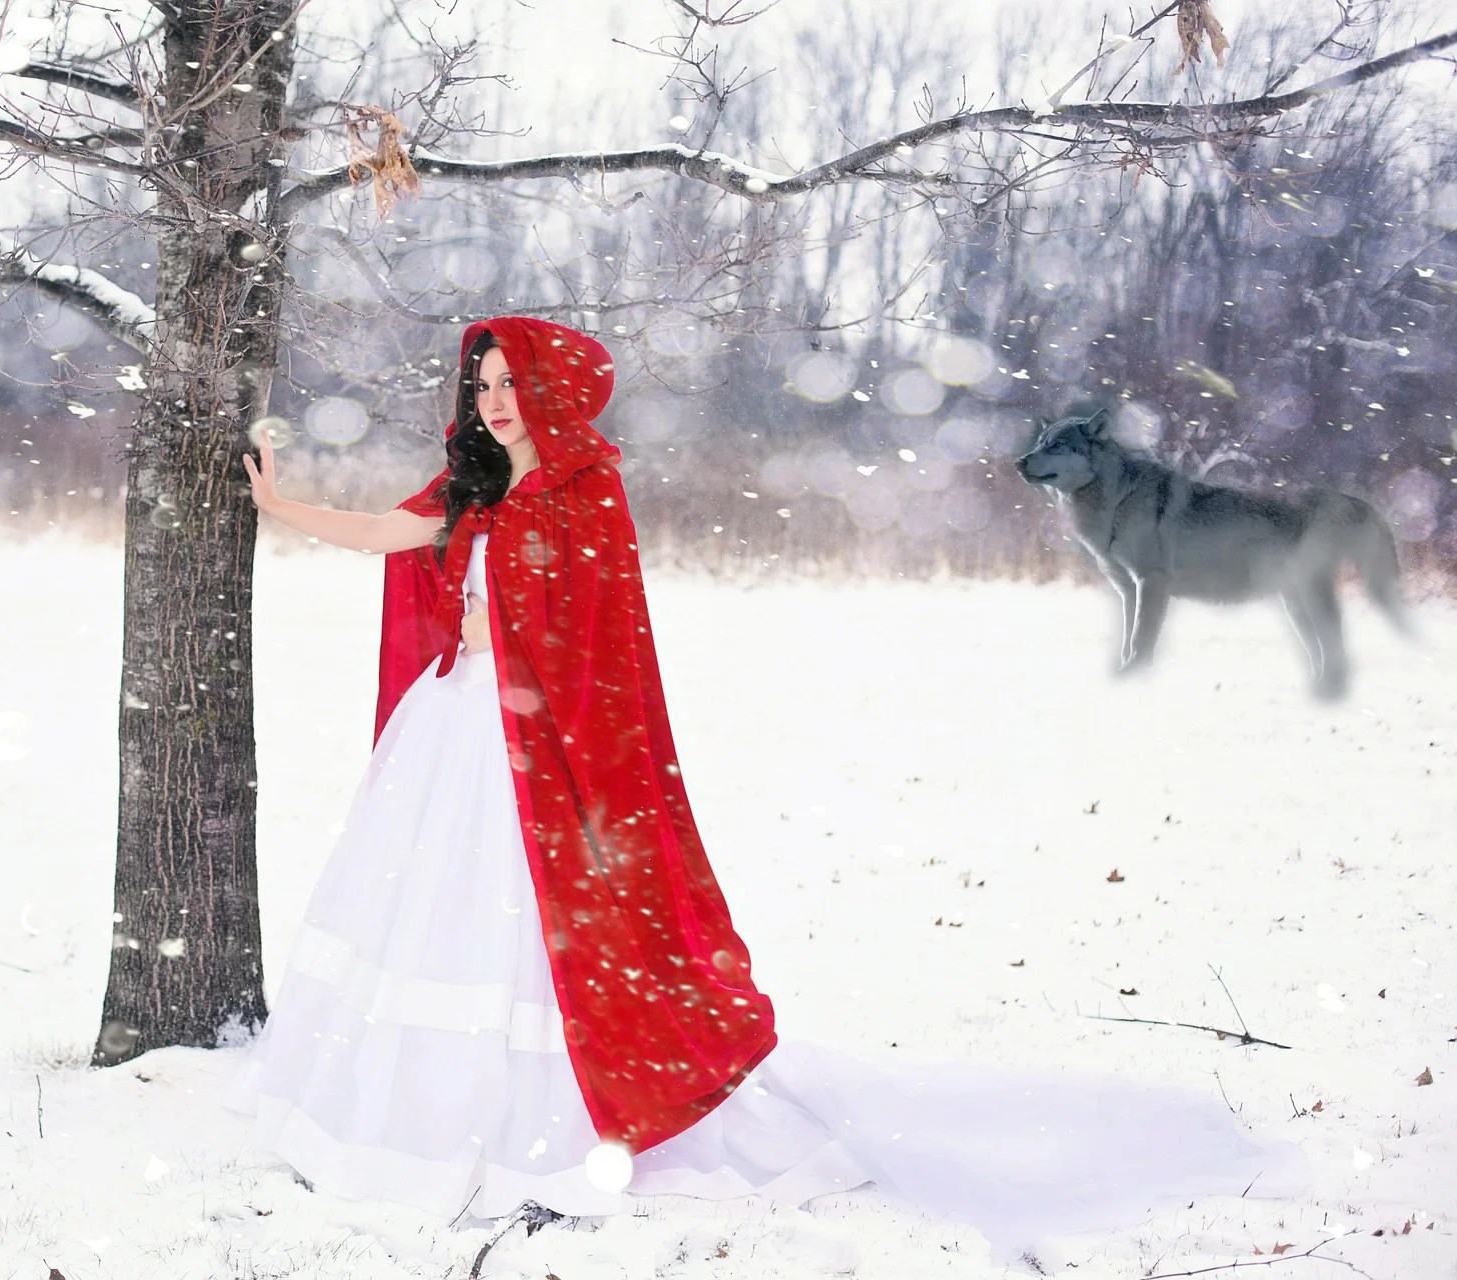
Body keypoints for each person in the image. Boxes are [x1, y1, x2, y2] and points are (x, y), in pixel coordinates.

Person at [223, 315, 1307, 1260]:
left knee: (539, 934)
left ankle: (552, 1120)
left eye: (513, 382)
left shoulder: (587, 490)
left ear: (548, 390)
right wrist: (285, 506)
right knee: (442, 919)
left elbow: (603, 659)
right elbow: (391, 535)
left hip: (544, 756)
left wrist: (562, 736)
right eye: (485, 384)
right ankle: (432, 1114)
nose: (497, 402)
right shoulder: (468, 483)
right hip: (456, 737)